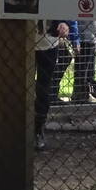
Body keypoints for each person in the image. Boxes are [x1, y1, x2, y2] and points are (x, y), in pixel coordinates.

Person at [34, 20, 72, 149]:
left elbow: (62, 7)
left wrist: (63, 23)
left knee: (43, 89)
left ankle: (38, 130)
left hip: (49, 45)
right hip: (22, 43)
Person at [78, 18, 96, 101]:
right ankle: (83, 94)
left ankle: (88, 92)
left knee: (90, 68)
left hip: (93, 37)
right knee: (84, 68)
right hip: (85, 37)